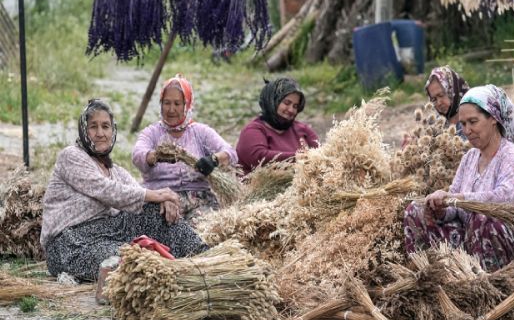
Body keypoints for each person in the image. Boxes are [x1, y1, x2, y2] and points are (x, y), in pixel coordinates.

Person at [41, 99, 208, 282]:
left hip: (109, 233)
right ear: (83, 130)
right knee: (128, 262)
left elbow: (137, 193)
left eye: (105, 126)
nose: (100, 133)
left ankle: (205, 258)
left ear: (113, 131)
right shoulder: (71, 156)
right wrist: (156, 194)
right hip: (70, 242)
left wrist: (162, 200)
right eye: (93, 127)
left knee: (154, 212)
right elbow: (106, 190)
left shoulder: (116, 171)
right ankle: (169, 274)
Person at [403, 85, 514, 272]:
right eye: (463, 124)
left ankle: (492, 286)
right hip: (475, 239)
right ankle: (436, 277)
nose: (467, 130)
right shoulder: (470, 158)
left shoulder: (513, 156)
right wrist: (441, 207)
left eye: (473, 122)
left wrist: (461, 199)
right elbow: (455, 207)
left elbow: (504, 199)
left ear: (493, 119)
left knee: (484, 217)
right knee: (414, 211)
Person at [132, 74, 237, 221]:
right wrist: (156, 156)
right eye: (167, 103)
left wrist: (213, 160)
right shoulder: (152, 132)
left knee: (206, 229)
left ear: (187, 105)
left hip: (199, 200)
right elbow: (138, 155)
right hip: (162, 198)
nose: (171, 109)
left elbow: (230, 153)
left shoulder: (200, 132)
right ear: (161, 104)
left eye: (177, 104)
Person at [236, 77, 319, 174]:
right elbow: (259, 158)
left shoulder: (302, 130)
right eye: (287, 103)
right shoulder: (252, 130)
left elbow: (320, 153)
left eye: (295, 106)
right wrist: (300, 157)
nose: (291, 110)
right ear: (272, 101)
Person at [424, 65, 470, 139]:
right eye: (434, 99)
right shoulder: (434, 124)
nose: (439, 103)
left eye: (441, 95)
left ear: (453, 90)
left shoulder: (473, 118)